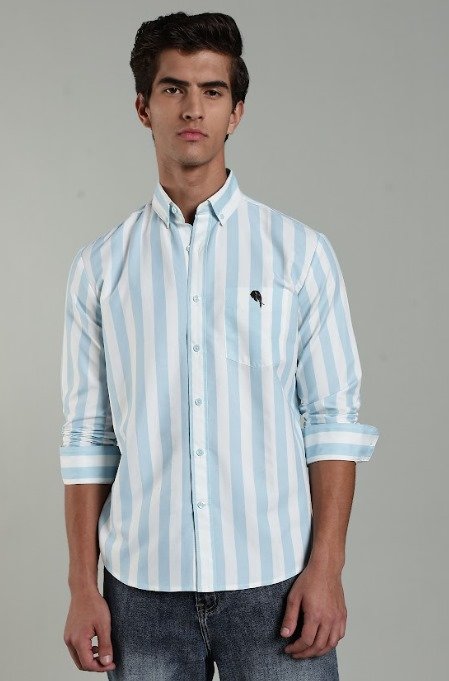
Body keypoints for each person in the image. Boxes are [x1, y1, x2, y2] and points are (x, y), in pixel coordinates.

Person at [59, 11, 380, 681]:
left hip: (276, 586)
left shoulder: (298, 254)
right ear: (143, 107)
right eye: (173, 88)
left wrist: (326, 568)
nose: (192, 108)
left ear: (236, 112)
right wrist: (83, 587)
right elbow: (89, 435)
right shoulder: (101, 268)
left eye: (212, 90)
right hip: (140, 592)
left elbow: (331, 422)